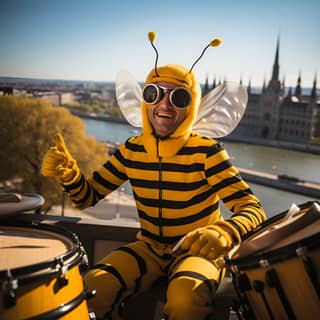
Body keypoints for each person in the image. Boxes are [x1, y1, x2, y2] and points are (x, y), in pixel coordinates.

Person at [41, 33, 266, 320]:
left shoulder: (206, 151)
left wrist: (224, 232)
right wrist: (68, 173)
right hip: (147, 248)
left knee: (187, 297)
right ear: (144, 100)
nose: (165, 105)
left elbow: (252, 208)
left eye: (179, 97)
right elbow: (87, 197)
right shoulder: (131, 150)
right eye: (153, 94)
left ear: (192, 107)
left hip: (196, 252)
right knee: (91, 287)